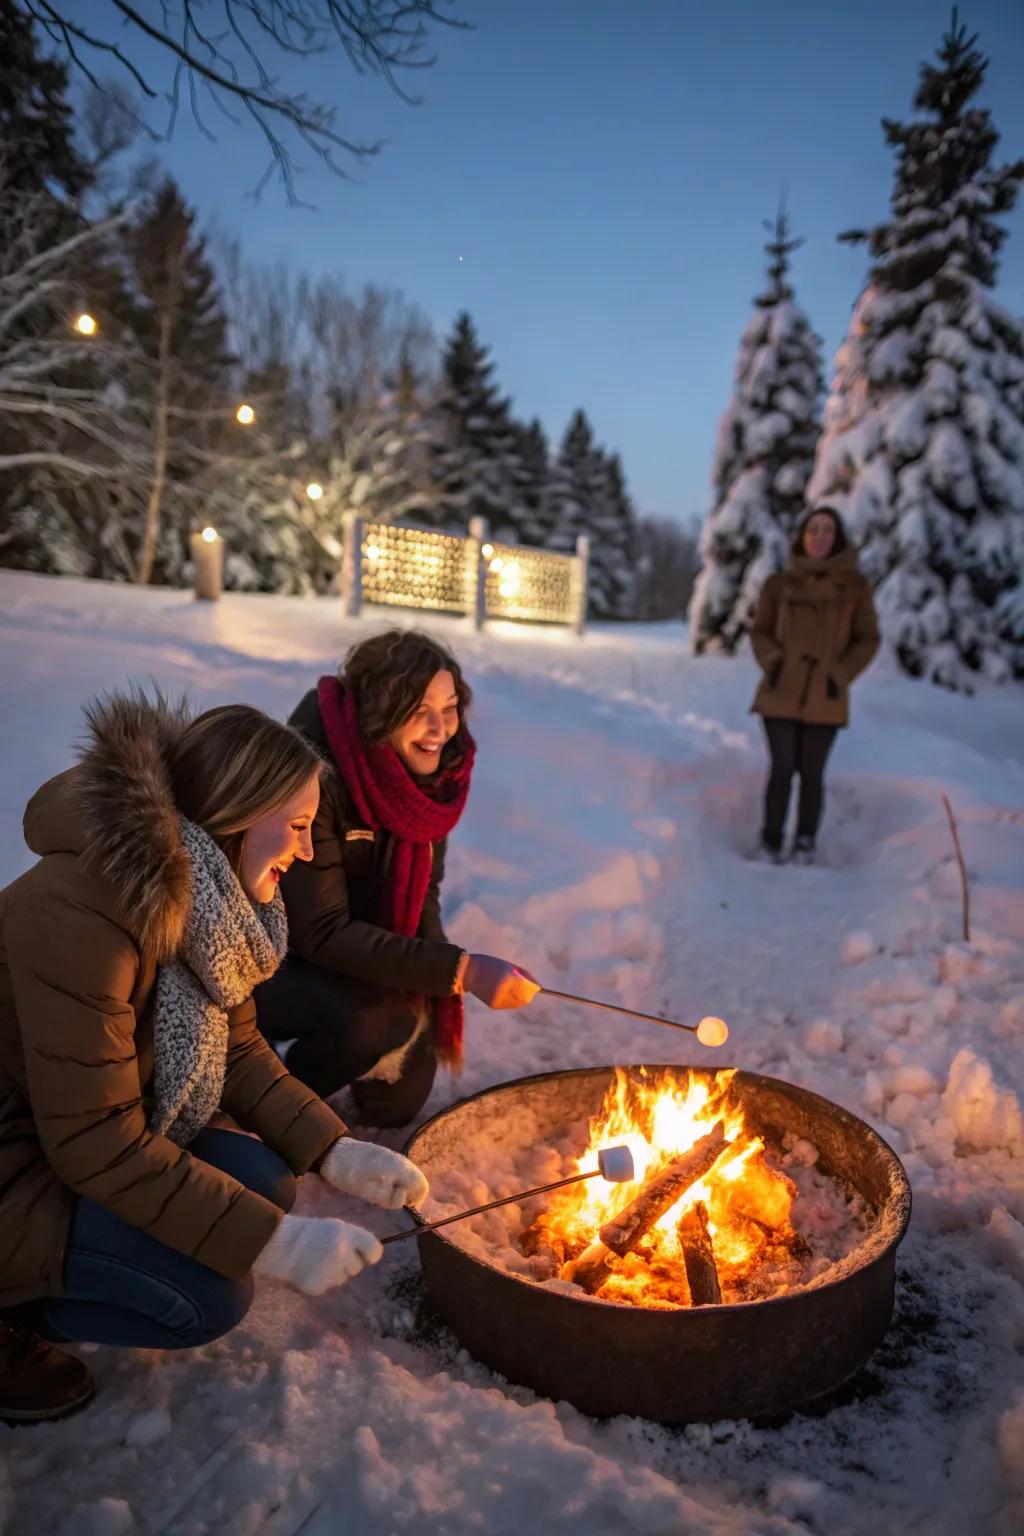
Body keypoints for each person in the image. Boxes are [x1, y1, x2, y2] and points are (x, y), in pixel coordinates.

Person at [0, 689, 429, 1424]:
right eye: (296, 827)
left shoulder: (211, 898)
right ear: (236, 814)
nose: (303, 851)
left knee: (265, 1178)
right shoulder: (81, 914)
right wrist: (271, 1243)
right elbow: (96, 1142)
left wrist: (333, 1151)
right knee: (206, 1299)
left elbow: (238, 1047)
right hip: (19, 1160)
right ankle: (17, 1317)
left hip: (68, 1137)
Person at [257, 629, 539, 1124]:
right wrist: (460, 970)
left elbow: (424, 892)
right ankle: (265, 1095)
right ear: (377, 714)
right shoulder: (311, 776)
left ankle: (350, 1046)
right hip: (272, 960)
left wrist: (441, 976)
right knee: (373, 1024)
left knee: (397, 1103)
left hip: (350, 956)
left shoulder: (432, 784)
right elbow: (319, 932)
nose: (440, 728)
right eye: (417, 710)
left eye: (449, 708)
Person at [749, 505, 879, 863]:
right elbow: (759, 630)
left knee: (811, 772)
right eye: (813, 530)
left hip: (826, 693)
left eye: (827, 530)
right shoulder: (778, 584)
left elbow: (867, 639)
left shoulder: (855, 588)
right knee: (781, 767)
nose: (820, 537)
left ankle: (805, 843)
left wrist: (841, 673)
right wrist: (774, 663)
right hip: (781, 690)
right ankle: (770, 841)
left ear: (837, 539)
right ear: (802, 537)